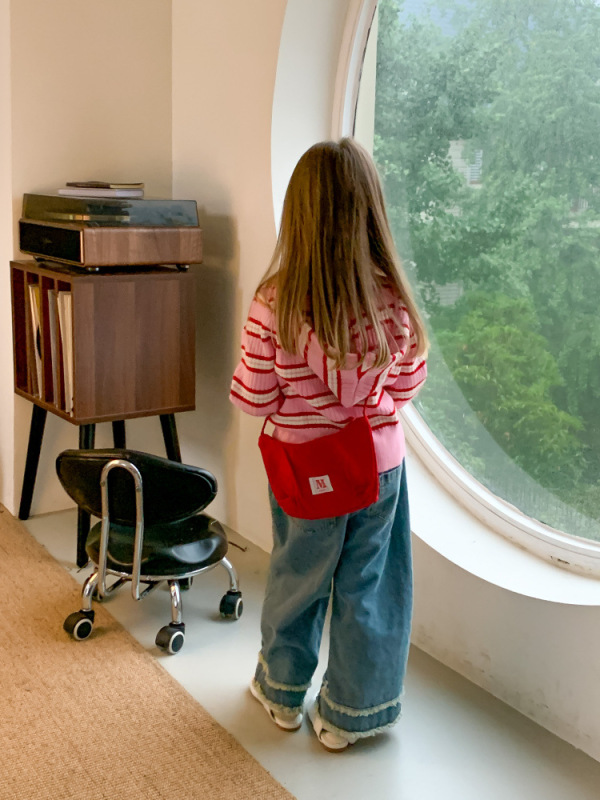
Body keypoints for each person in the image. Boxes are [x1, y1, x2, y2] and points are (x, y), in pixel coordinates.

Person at [229, 137, 428, 752]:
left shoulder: (275, 302)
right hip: (377, 465)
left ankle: (283, 694)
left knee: (298, 576)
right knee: (370, 585)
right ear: (371, 213)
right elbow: (406, 385)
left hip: (305, 467)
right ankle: (350, 715)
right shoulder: (392, 298)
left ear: (300, 214)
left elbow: (254, 397)